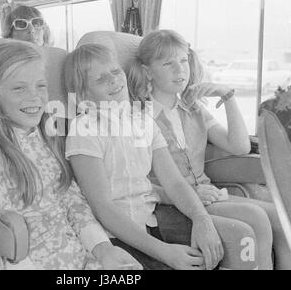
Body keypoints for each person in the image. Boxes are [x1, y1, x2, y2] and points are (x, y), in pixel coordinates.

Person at [64, 43, 264, 270]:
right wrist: (166, 253)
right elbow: (104, 208)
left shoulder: (143, 121)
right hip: (114, 235)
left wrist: (201, 219)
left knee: (229, 240)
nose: (113, 80)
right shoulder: (84, 130)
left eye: (115, 71)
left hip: (151, 217)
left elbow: (175, 182)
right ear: (82, 94)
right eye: (100, 79)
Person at [0, 41, 142, 270]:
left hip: (81, 260)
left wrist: (103, 249)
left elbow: (73, 203)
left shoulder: (50, 142)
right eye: (19, 88)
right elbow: (1, 240)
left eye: (41, 86)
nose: (35, 97)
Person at [128, 29, 291, 269]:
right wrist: (192, 193)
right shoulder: (138, 118)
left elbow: (239, 146)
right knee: (256, 219)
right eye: (168, 64)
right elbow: (134, 181)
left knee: (284, 219)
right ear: (147, 71)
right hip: (171, 204)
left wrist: (227, 96)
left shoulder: (193, 108)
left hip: (208, 194)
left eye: (183, 60)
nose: (180, 70)